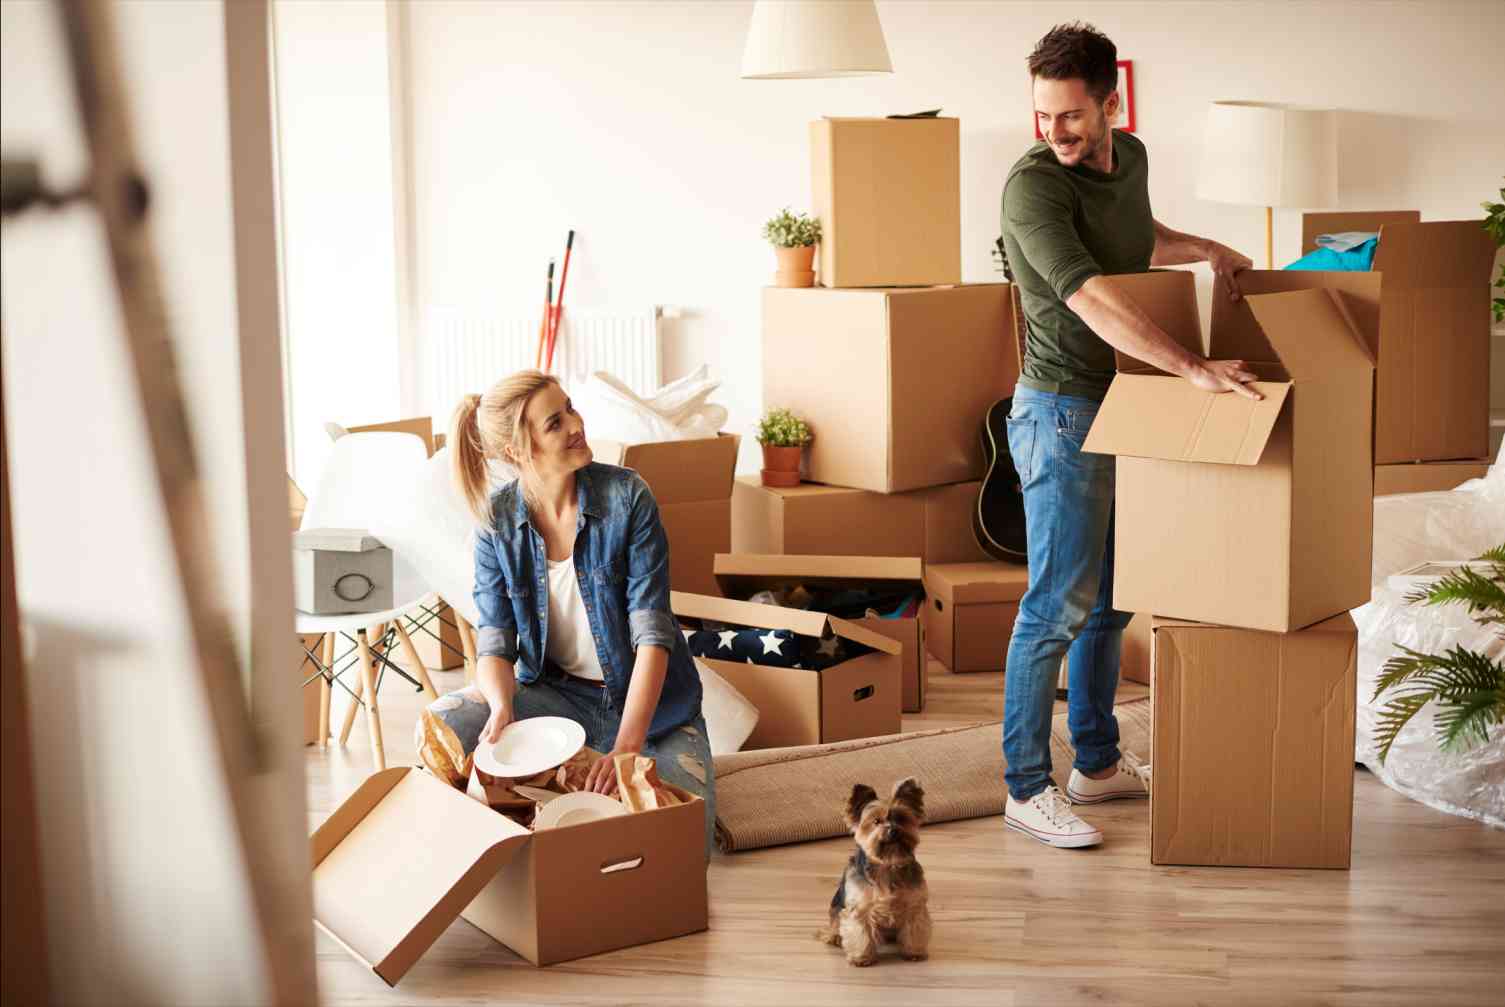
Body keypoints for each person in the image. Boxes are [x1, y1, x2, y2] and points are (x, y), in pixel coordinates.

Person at [998, 22, 1261, 849]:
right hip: (1060, 411)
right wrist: (1191, 367)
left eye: (1071, 116)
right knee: (1055, 605)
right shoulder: (1031, 188)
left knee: (1110, 602)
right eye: (1043, 116)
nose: (1054, 133)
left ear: (1112, 104)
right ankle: (1024, 785)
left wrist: (1203, 248)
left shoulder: (1132, 158)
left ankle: (1097, 764)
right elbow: (1090, 296)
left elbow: (1131, 241)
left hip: (1122, 402)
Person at [419, 369, 715, 856]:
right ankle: (555, 791)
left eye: (571, 409)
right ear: (518, 450)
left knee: (684, 842)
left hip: (654, 709)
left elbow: (653, 636)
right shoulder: (496, 523)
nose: (577, 424)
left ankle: (576, 779)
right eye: (555, 423)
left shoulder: (627, 498)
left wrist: (626, 747)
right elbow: (495, 640)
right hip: (555, 697)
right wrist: (501, 707)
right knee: (444, 723)